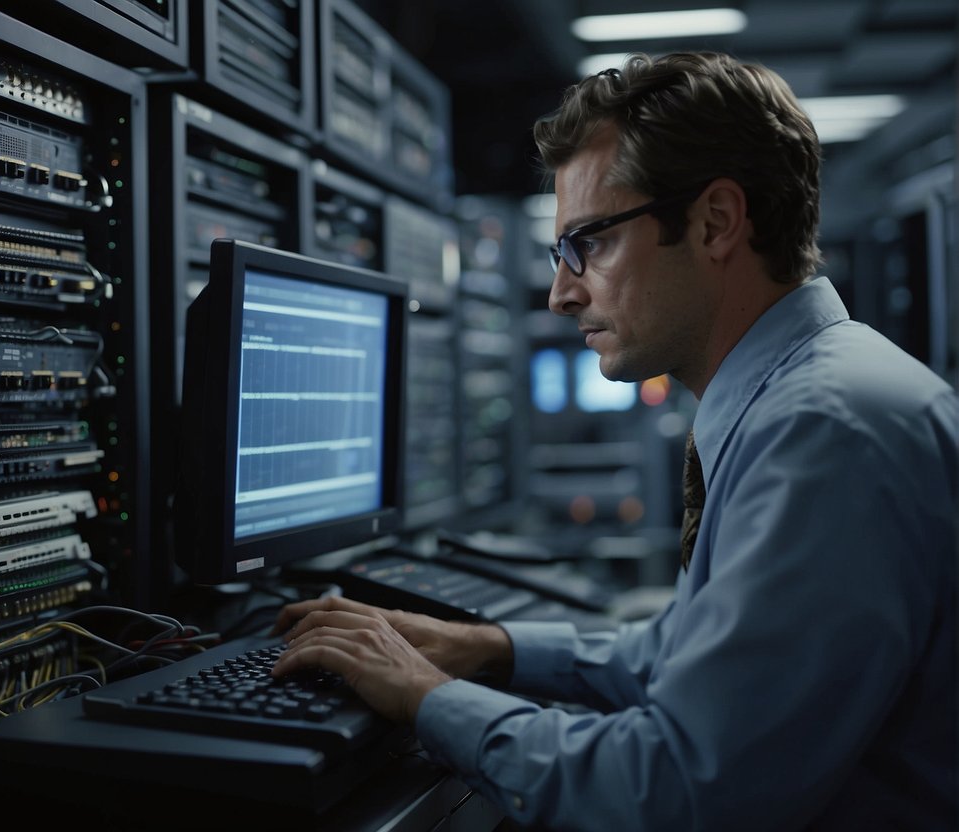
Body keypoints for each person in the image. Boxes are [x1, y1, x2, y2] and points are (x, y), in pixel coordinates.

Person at [271, 52, 959, 830]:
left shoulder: (824, 433)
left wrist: (424, 696)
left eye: (587, 244)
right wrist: (488, 647)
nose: (561, 294)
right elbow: (691, 650)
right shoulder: (807, 397)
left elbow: (675, 792)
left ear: (714, 222)